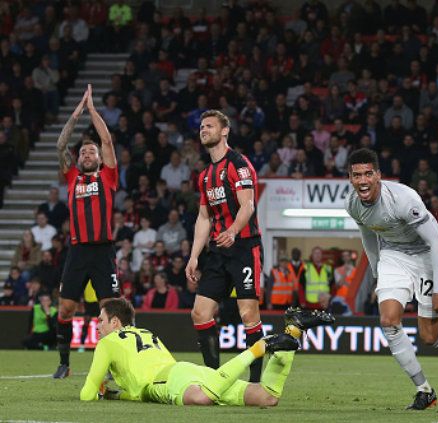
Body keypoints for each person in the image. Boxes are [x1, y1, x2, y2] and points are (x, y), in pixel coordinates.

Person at [344, 148, 438, 410]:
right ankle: (424, 390)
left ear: (378, 175)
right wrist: (378, 273)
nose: (362, 181)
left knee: (429, 336)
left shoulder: (403, 199)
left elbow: (435, 240)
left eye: (368, 174)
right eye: (357, 175)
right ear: (350, 178)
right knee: (388, 320)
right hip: (393, 257)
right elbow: (368, 235)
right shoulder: (352, 205)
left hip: (425, 256)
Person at [80, 298, 334, 407]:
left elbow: (87, 394)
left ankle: (260, 347)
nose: (98, 326)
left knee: (201, 399)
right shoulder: (146, 332)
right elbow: (135, 391)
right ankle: (294, 330)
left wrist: (101, 392)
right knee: (266, 397)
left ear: (115, 323)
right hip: (186, 371)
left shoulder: (108, 342)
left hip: (166, 382)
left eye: (101, 321)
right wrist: (115, 396)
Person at [185, 110, 265, 383]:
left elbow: (248, 205)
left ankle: (255, 382)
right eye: (201, 127)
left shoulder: (238, 164)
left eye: (209, 126)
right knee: (200, 313)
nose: (203, 129)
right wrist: (194, 256)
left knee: (248, 313)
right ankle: (212, 377)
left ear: (225, 131)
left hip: (244, 247)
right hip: (219, 252)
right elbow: (204, 217)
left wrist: (232, 231)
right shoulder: (205, 175)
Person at [53, 85, 120, 379]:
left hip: (103, 251)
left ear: (100, 157)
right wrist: (76, 114)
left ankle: (110, 367)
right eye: (84, 151)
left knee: (109, 312)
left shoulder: (108, 175)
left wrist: (93, 111)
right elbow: (60, 145)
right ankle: (64, 363)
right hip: (78, 251)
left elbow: (106, 138)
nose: (88, 153)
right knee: (66, 309)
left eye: (92, 151)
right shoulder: (72, 178)